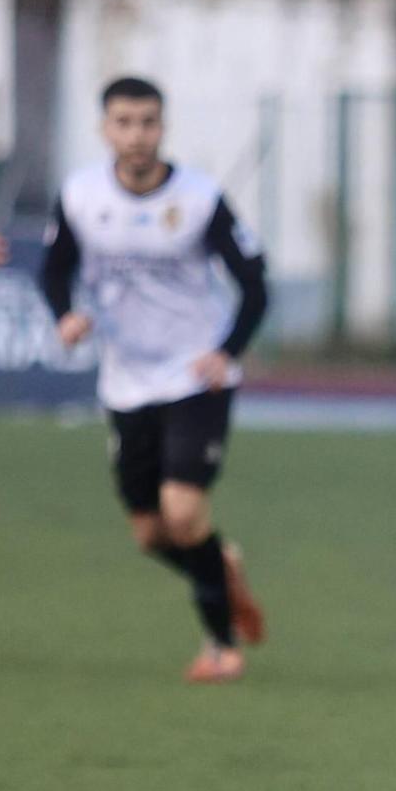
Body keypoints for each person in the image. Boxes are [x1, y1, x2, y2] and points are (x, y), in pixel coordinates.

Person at [40, 75, 270, 684]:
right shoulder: (83, 195)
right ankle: (221, 567)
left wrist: (227, 350)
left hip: (196, 375)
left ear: (162, 128)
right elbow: (54, 267)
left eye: (147, 122)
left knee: (183, 510)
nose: (136, 135)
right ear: (104, 128)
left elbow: (255, 279)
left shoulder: (198, 197)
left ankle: (221, 647)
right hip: (126, 380)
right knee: (150, 533)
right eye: (124, 122)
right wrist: (64, 314)